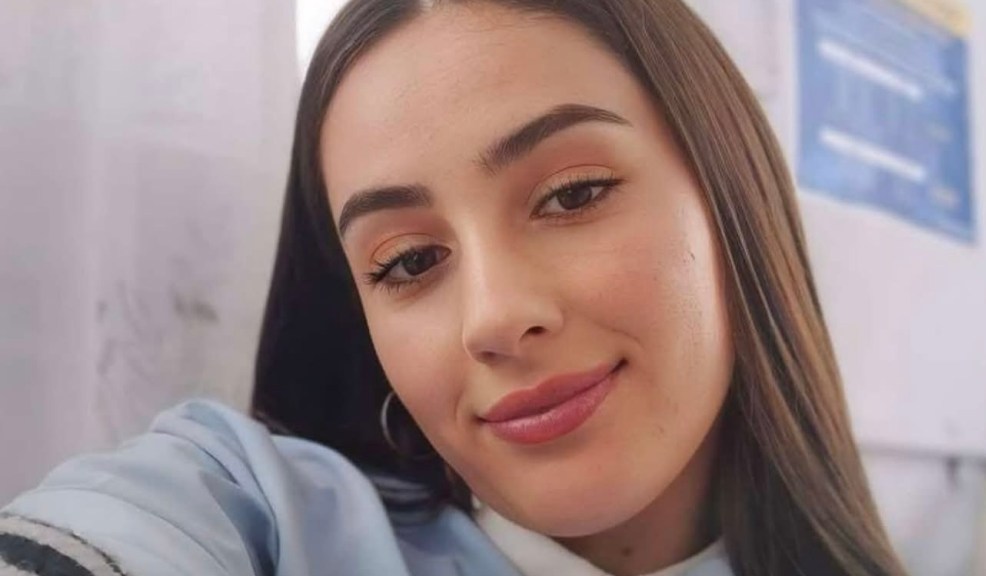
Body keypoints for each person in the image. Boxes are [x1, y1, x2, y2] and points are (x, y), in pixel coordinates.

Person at [0, 1, 908, 575]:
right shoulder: (250, 514)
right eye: (408, 262)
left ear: (728, 197)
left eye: (573, 195)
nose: (496, 316)